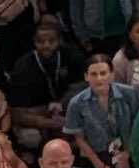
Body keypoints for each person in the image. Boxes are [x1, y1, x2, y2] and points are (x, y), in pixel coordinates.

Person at [63, 52, 139, 168]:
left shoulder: (129, 94)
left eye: (103, 73)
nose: (99, 78)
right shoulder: (76, 103)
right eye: (94, 74)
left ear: (112, 74)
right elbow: (79, 139)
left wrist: (127, 155)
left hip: (127, 150)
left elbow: (138, 126)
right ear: (86, 76)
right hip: (96, 156)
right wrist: (100, 166)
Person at [9, 16, 84, 151]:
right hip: (37, 115)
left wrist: (63, 105)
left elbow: (82, 88)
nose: (46, 45)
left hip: (67, 109)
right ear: (33, 42)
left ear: (59, 41)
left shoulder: (72, 55)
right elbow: (16, 113)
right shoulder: (22, 66)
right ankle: (38, 156)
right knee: (30, 137)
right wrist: (49, 122)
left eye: (51, 41)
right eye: (40, 42)